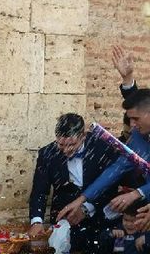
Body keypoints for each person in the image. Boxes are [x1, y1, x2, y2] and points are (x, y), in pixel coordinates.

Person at [57, 90, 150, 231]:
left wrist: (136, 193)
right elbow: (117, 169)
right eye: (129, 119)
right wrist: (81, 199)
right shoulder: (138, 136)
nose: (132, 124)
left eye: (136, 118)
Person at [28, 113, 118, 253]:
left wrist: (87, 209)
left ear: (83, 136)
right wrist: (37, 221)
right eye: (61, 144)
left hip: (99, 216)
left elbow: (111, 186)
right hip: (63, 217)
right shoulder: (47, 154)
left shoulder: (102, 148)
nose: (66, 150)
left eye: (72, 144)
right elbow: (39, 191)